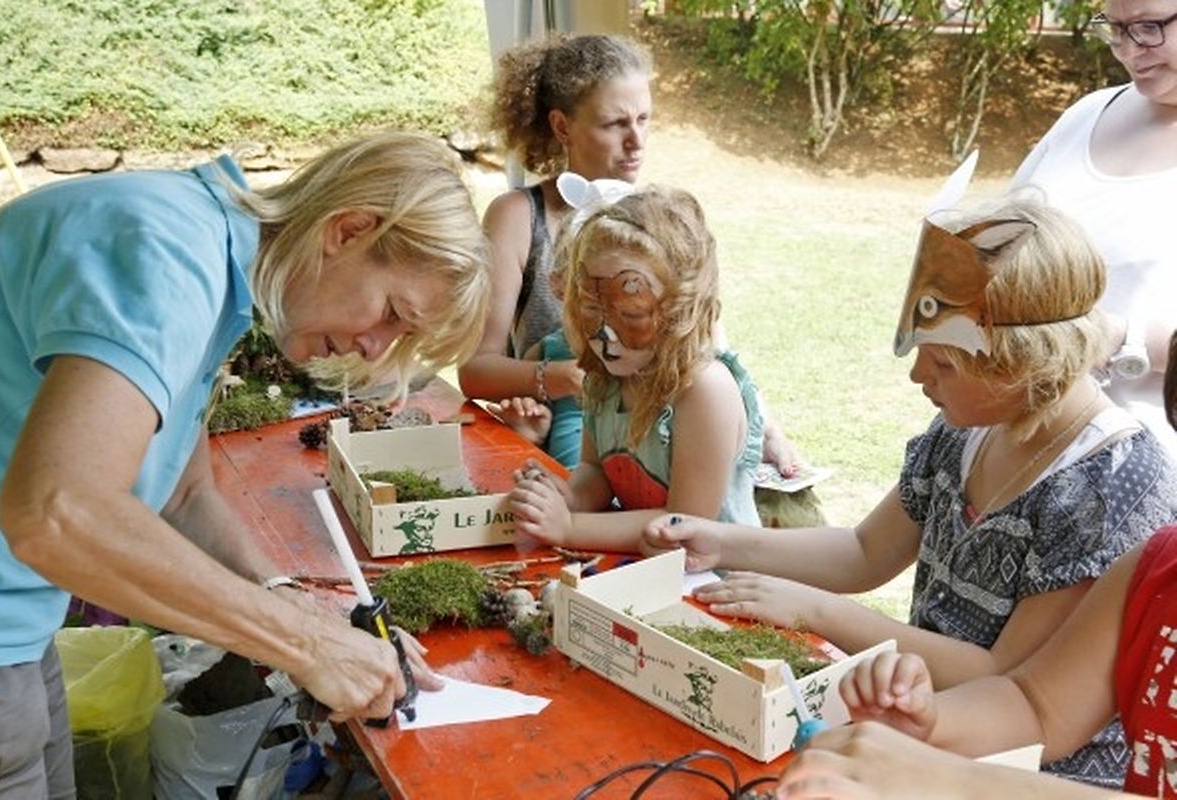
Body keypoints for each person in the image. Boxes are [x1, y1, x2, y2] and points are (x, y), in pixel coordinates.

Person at [0, 131, 490, 797]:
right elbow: (57, 512)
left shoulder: (205, 261)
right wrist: (303, 646)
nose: (374, 346)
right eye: (392, 313)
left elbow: (181, 495)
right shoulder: (165, 260)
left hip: (13, 623)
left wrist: (294, 605)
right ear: (348, 231)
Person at [644, 197, 1177, 788]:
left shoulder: (1107, 486)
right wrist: (721, 542)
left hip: (1026, 771)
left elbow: (1005, 675)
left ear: (1020, 365)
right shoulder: (966, 430)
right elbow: (866, 551)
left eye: (944, 362)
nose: (919, 375)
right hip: (923, 723)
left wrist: (816, 609)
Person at [773, 335, 1177, 800]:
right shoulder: (1154, 571)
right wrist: (932, 718)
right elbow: (1036, 704)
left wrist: (946, 776)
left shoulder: (1113, 484)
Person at [458, 32, 806, 477]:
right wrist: (564, 377)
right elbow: (475, 370)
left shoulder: (660, 221)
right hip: (563, 433)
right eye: (615, 124)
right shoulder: (519, 217)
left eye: (644, 119)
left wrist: (769, 431)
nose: (637, 140)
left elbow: (711, 344)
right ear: (562, 127)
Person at [508, 185, 765, 550]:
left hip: (719, 584)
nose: (602, 333)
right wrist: (568, 495)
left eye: (629, 314)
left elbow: (684, 526)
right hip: (644, 574)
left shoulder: (704, 391)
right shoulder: (606, 375)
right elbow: (598, 471)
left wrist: (569, 528)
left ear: (679, 310)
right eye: (591, 309)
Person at [1011, 0, 1177, 457]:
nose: (1128, 51)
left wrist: (1120, 335)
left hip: (1141, 474)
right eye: (1116, 29)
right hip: (1015, 445)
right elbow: (1007, 236)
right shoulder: (1088, 113)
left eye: (1148, 27)